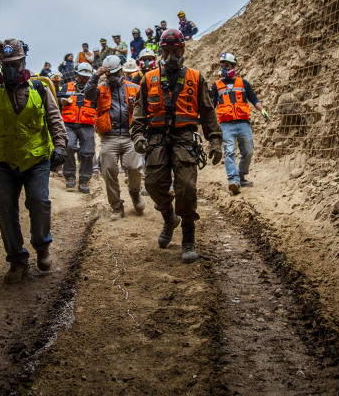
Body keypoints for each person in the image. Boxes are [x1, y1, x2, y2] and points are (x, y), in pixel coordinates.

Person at [0, 39, 68, 283]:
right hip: (5, 161)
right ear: (1, 66)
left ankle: (42, 247)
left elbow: (55, 120)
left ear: (23, 62)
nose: (11, 68)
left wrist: (60, 146)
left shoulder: (40, 90)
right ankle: (17, 260)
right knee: (5, 208)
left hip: (37, 159)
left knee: (38, 200)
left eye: (15, 63)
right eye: (6, 64)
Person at [131, 29, 222, 263]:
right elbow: (139, 112)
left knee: (187, 187)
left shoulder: (195, 77)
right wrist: (138, 136)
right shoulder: (148, 78)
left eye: (176, 50)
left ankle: (188, 237)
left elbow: (207, 110)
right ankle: (169, 218)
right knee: (152, 183)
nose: (171, 55)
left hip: (184, 138)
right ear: (161, 51)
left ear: (183, 50)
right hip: (156, 139)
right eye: (167, 51)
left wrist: (215, 140)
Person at [84, 54, 144, 219]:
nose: (113, 77)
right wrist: (96, 75)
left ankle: (135, 193)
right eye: (110, 74)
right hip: (109, 137)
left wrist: (134, 107)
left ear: (122, 72)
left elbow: (144, 110)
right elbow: (88, 94)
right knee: (109, 170)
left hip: (130, 136)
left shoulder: (134, 88)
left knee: (134, 167)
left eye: (116, 73)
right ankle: (117, 206)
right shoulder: (101, 88)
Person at [210, 52, 269, 194]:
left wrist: (262, 110)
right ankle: (233, 180)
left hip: (243, 123)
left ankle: (241, 176)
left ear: (233, 66)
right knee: (229, 152)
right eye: (222, 65)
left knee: (248, 151)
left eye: (227, 65)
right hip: (226, 125)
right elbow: (211, 106)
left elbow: (253, 99)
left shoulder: (243, 83)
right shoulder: (216, 86)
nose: (224, 68)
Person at [58, 62, 97, 194]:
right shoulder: (66, 87)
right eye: (82, 76)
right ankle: (69, 176)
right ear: (76, 75)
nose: (85, 79)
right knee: (68, 147)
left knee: (88, 152)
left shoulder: (94, 89)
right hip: (69, 124)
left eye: (87, 77)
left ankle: (84, 180)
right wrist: (61, 101)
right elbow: (56, 100)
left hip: (87, 125)